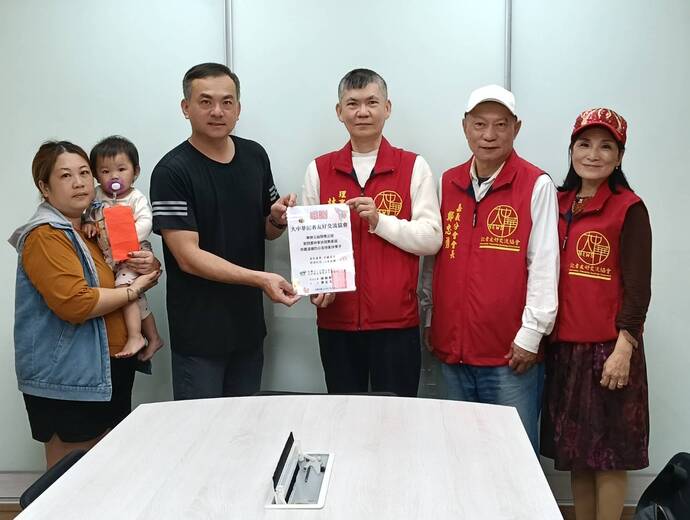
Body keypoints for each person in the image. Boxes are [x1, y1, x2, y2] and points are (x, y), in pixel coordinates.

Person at [420, 85, 559, 450]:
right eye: (480, 124)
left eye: (501, 124)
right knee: (457, 453)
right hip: (451, 351)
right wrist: (431, 318)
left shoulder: (536, 184)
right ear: (465, 126)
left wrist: (531, 336)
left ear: (517, 128)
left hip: (509, 357)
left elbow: (545, 265)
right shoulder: (448, 182)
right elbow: (434, 259)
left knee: (514, 457)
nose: (489, 135)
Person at [150, 62, 299, 400]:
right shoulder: (171, 171)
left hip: (248, 328)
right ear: (186, 107)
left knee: (247, 424)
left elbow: (267, 231)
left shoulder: (254, 155)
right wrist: (261, 279)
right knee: (201, 429)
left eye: (227, 102)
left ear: (238, 109)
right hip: (199, 335)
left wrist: (277, 219)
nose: (217, 111)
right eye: (205, 101)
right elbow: (188, 257)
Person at [9, 141, 161, 469]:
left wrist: (149, 264)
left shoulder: (89, 228)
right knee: (72, 479)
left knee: (105, 474)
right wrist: (135, 290)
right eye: (66, 176)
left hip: (107, 369)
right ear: (44, 187)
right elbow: (77, 303)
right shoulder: (46, 236)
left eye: (83, 173)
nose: (79, 183)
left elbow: (125, 267)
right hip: (70, 380)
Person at [302, 68, 442, 397]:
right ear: (339, 111)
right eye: (352, 104)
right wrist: (318, 288)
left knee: (396, 417)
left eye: (372, 102)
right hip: (337, 323)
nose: (362, 112)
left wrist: (381, 222)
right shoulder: (319, 169)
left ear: (387, 108)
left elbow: (432, 238)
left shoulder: (413, 166)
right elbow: (310, 248)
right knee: (341, 414)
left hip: (396, 324)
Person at [541, 108, 651, 520]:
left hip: (609, 350)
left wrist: (624, 348)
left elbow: (638, 288)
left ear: (619, 157)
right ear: (571, 150)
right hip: (565, 349)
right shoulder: (555, 202)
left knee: (608, 456)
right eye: (584, 144)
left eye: (606, 147)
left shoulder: (628, 208)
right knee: (578, 456)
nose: (593, 154)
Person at [84, 135, 164, 359]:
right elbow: (88, 214)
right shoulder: (97, 195)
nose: (114, 176)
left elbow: (146, 222)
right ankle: (154, 337)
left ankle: (136, 336)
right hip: (109, 254)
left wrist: (126, 238)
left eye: (121, 169)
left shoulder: (136, 198)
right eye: (105, 171)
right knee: (137, 297)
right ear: (96, 175)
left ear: (135, 171)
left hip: (133, 253)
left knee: (124, 290)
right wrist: (88, 222)